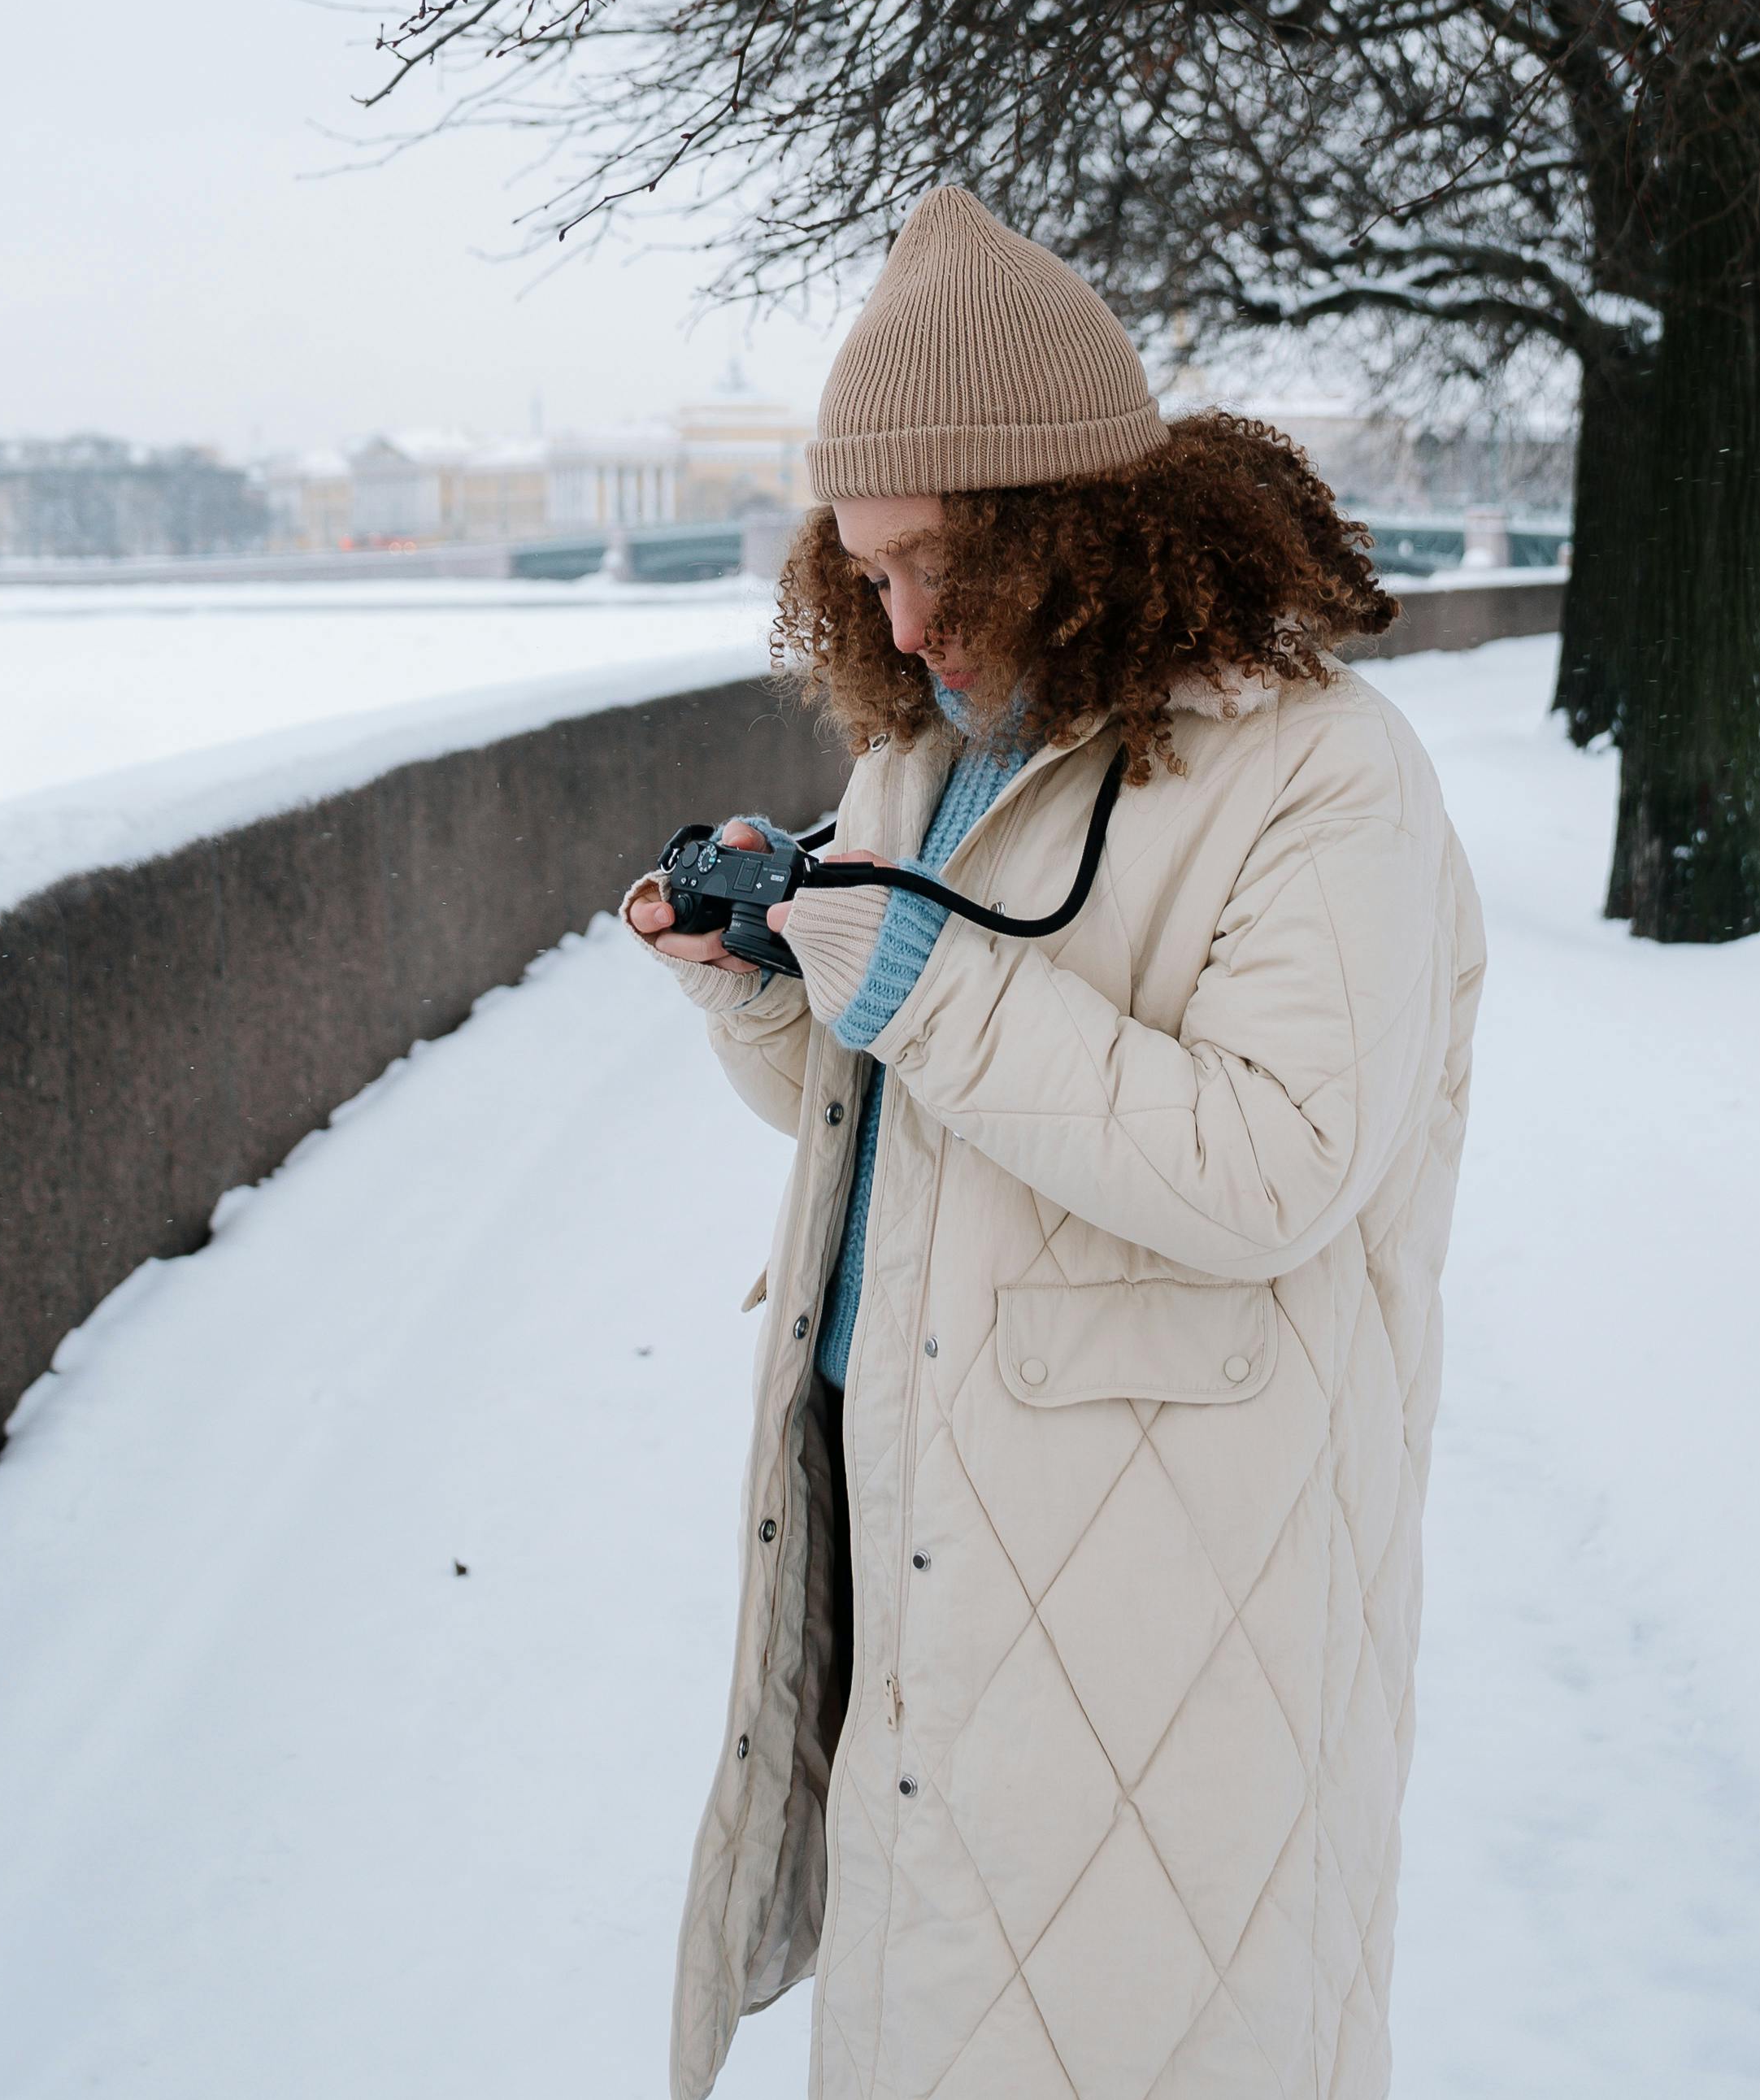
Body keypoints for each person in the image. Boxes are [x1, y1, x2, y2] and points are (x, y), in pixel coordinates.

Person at [620, 187, 1488, 2099]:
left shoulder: (1319, 773)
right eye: (865, 575)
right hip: (926, 1561)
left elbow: (1275, 1162)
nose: (905, 625)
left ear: (1080, 531)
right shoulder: (920, 758)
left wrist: (908, 970)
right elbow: (890, 1113)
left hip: (1175, 1617)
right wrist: (767, 991)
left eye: (941, 566)